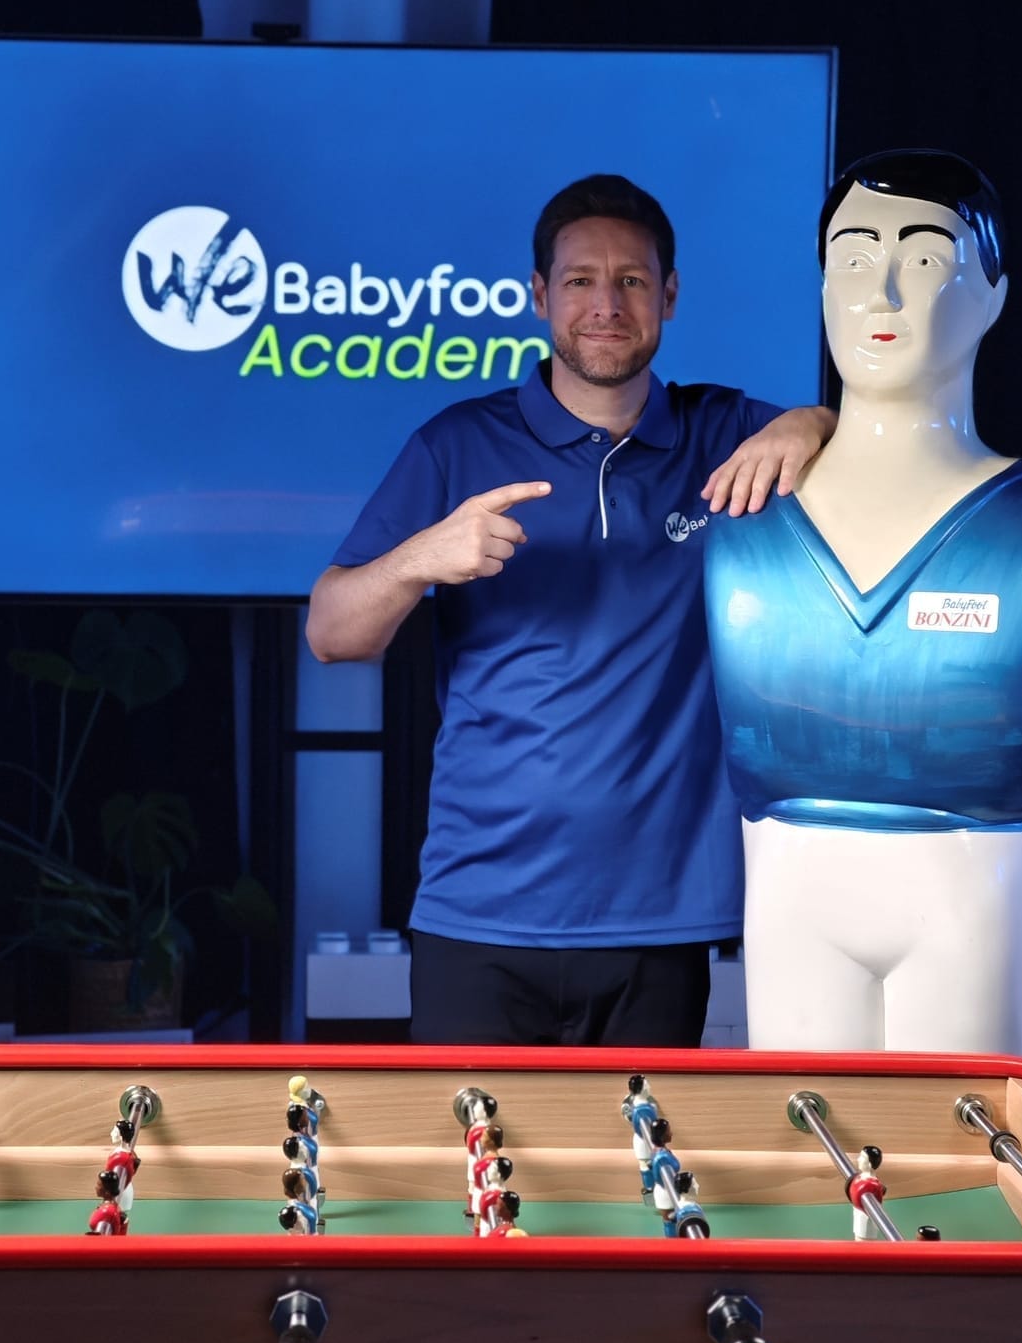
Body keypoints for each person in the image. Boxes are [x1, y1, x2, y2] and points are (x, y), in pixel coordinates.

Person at [306, 173, 835, 1047]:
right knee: (471, 1145)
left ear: (668, 295)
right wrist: (419, 559)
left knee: (641, 1147)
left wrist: (809, 422)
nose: (606, 305)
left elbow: (879, 452)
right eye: (581, 280)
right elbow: (331, 634)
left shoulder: (722, 433)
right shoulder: (456, 443)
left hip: (659, 923)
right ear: (539, 295)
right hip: (479, 915)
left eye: (631, 281)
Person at [704, 149, 1022, 1057]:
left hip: (980, 889)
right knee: (806, 1132)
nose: (878, 292)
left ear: (991, 294)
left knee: (964, 1140)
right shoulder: (745, 523)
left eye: (922, 259)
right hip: (792, 893)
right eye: (851, 259)